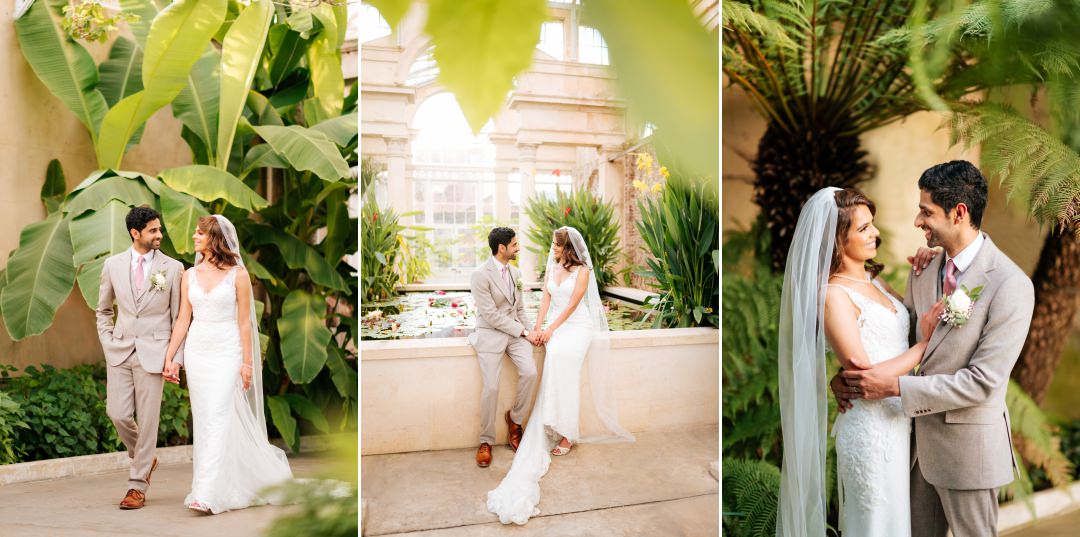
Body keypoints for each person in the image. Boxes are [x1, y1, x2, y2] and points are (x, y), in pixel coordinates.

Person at [832, 161, 1034, 536]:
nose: (916, 221)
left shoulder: (1010, 286)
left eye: (926, 211)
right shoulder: (923, 268)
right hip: (909, 453)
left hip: (968, 451)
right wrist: (848, 378)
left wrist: (894, 388)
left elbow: (982, 382)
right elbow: (899, 340)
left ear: (959, 213)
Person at [485, 226, 633, 525]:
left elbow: (573, 306)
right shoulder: (552, 268)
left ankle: (567, 433)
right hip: (555, 325)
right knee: (553, 354)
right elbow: (545, 302)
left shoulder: (583, 273)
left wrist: (551, 330)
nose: (551, 248)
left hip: (577, 327)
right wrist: (538, 329)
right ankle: (554, 419)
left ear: (567, 248)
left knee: (562, 355)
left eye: (555, 244)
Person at [162, 215, 293, 514]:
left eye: (199, 233)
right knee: (206, 418)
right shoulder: (189, 275)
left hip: (227, 350)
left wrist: (247, 363)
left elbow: (245, 323)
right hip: (198, 351)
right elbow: (183, 318)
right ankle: (212, 484)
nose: (194, 238)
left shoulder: (239, 275)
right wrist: (171, 357)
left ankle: (206, 493)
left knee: (219, 414)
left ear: (214, 239)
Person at [96, 206, 185, 509]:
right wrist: (108, 342)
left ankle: (137, 486)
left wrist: (175, 358)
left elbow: (178, 319)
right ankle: (147, 459)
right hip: (119, 351)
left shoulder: (172, 268)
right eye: (153, 231)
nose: (159, 235)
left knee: (148, 421)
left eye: (160, 229)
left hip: (155, 353)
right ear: (136, 233)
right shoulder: (112, 265)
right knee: (117, 413)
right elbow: (103, 311)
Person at [467, 227, 539, 468]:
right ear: (502, 248)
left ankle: (515, 421)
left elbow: (519, 311)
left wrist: (532, 332)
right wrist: (523, 331)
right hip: (490, 334)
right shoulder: (480, 275)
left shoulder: (516, 272)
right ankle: (486, 441)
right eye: (515, 245)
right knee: (491, 387)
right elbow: (489, 315)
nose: (518, 248)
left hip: (515, 335)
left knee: (530, 372)